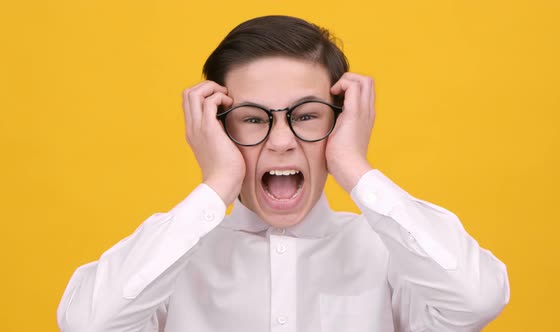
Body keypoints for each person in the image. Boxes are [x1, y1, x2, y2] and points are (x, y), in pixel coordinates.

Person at [57, 15, 510, 332]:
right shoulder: (172, 259)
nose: (281, 141)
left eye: (307, 116)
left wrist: (353, 165)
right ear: (217, 128)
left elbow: (478, 300)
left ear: (341, 119)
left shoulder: (389, 253)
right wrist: (216, 183)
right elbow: (87, 324)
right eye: (253, 119)